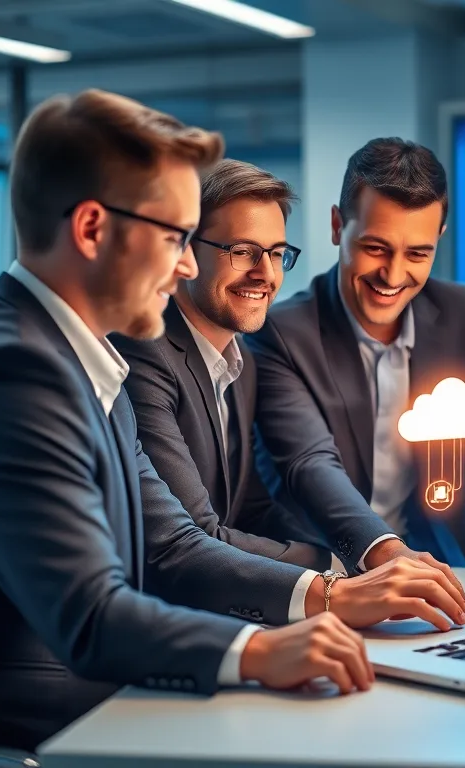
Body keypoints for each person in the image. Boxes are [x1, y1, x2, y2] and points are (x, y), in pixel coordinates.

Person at [0, 91, 460, 752]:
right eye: (174, 237)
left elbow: (171, 537)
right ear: (90, 230)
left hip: (110, 676)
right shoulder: (16, 368)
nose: (188, 263)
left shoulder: (71, 351)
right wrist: (267, 644)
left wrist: (329, 594)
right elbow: (96, 614)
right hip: (49, 710)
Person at [246, 137, 465, 570]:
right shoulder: (281, 333)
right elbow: (309, 464)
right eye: (375, 248)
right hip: (330, 571)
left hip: (455, 564)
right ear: (336, 226)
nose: (394, 275)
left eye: (418, 253)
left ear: (439, 236)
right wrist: (389, 556)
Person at [115, 159, 331, 570]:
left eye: (277, 254)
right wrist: (334, 571)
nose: (265, 274)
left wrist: (353, 559)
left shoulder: (240, 360)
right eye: (243, 252)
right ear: (186, 251)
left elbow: (250, 508)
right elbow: (197, 533)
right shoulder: (143, 352)